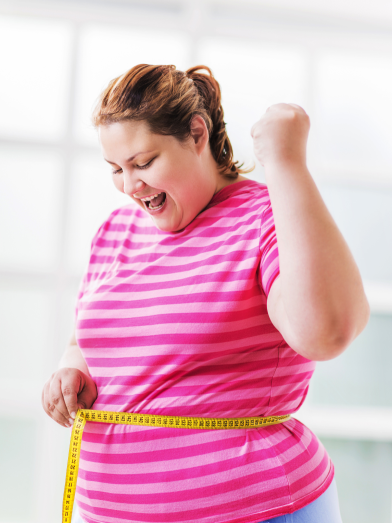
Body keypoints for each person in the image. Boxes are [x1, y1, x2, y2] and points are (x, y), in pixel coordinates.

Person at [42, 64, 369, 523]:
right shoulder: (115, 232)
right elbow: (88, 340)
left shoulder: (268, 217)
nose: (130, 186)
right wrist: (70, 370)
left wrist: (286, 164)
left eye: (143, 162)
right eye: (116, 169)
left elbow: (325, 332)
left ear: (197, 134)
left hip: (260, 507)